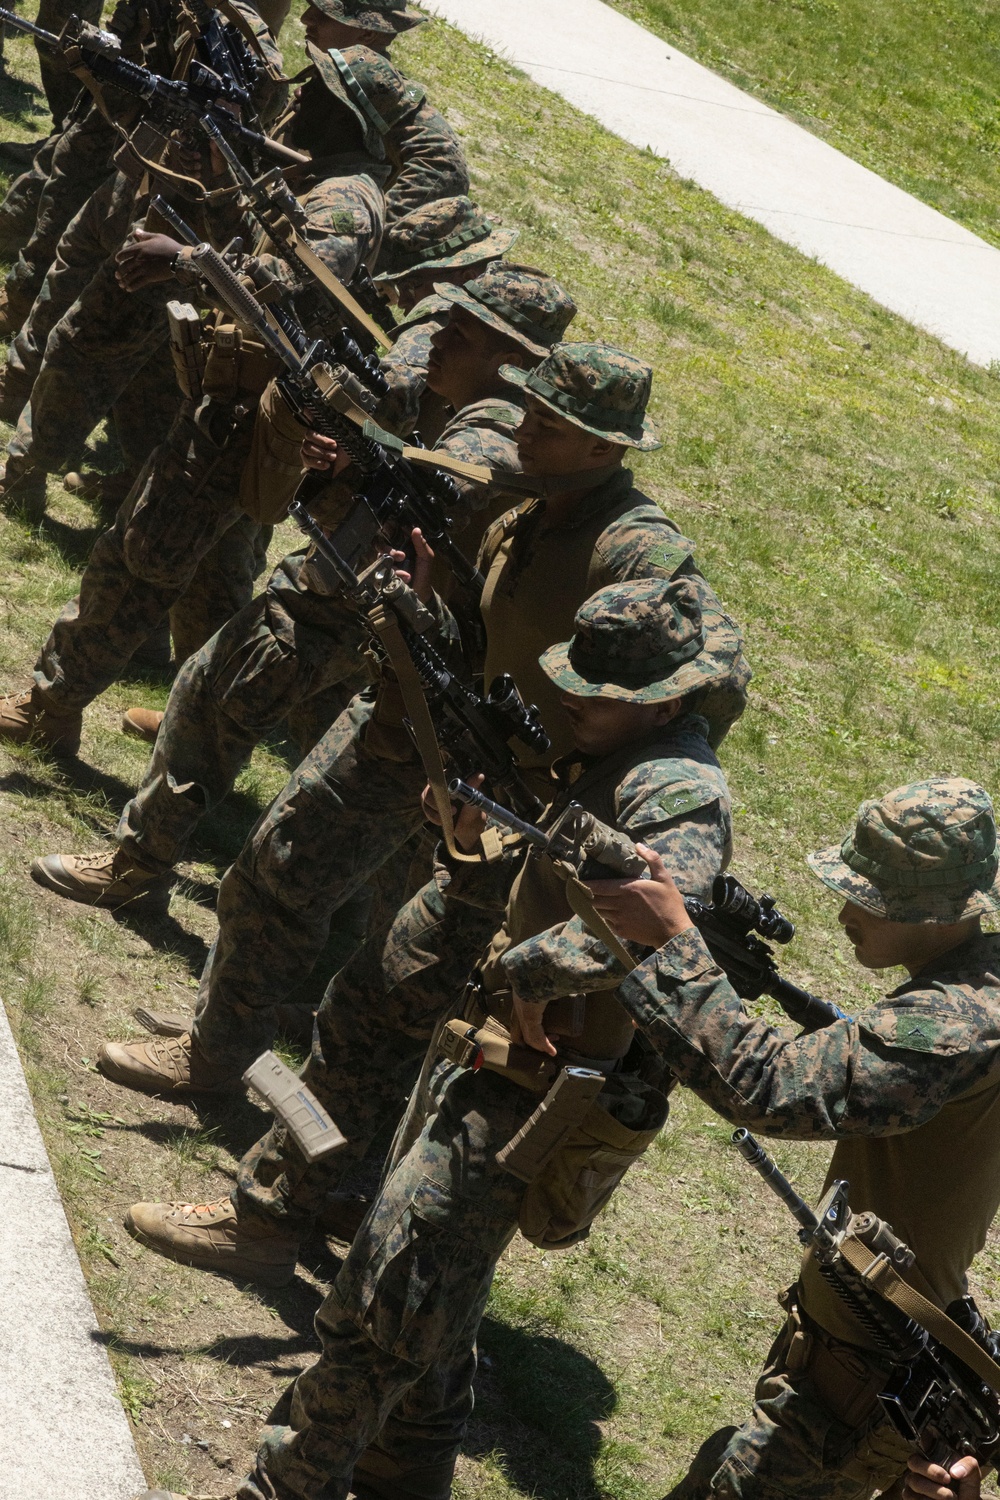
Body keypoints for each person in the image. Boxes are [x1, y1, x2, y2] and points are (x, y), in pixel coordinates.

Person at [107, 341, 749, 1286]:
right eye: (529, 408)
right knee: (374, 985)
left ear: (607, 449)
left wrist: (583, 781)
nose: (526, 425)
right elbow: (493, 634)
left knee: (386, 1002)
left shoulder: (636, 551)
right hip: (458, 777)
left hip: (525, 828)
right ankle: (313, 1190)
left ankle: (283, 1210)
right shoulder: (526, 502)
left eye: (553, 422)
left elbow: (695, 680)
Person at [131, 574, 741, 1500]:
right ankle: (404, 1464)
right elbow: (550, 876)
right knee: (430, 1286)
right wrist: (469, 841)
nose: (574, 700)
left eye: (601, 695)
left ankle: (288, 1483)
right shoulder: (614, 755)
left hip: (535, 1085)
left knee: (388, 1298)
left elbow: (661, 922)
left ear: (667, 701)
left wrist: (524, 972)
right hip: (493, 1053)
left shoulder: (677, 789)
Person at [27, 265, 574, 916]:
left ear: (509, 358)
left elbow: (426, 514)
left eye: (463, 330)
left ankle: (134, 865)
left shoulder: (491, 430)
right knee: (332, 767)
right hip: (385, 632)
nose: (441, 337)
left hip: (333, 608)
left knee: (205, 701)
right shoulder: (503, 420)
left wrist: (361, 474)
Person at [569, 777, 1000, 1500]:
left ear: (927, 912)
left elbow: (767, 1089)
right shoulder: (977, 982)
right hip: (857, 1358)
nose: (842, 911)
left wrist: (676, 943)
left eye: (867, 896)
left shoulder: (950, 1026)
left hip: (854, 1388)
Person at [0, 39, 403, 756]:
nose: (297, 99)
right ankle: (190, 736)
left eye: (315, 93)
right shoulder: (313, 179)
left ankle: (48, 703)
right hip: (240, 408)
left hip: (246, 419)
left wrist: (183, 259)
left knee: (135, 562)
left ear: (344, 116)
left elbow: (282, 303)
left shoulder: (343, 205)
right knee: (213, 585)